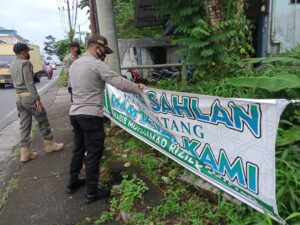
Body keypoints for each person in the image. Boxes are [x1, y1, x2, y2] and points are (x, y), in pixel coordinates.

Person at [67, 35, 145, 204]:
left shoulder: (74, 65)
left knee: (78, 149)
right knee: (94, 153)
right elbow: (119, 82)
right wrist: (137, 88)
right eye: (104, 52)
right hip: (90, 115)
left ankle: (72, 183)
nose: (105, 55)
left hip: (75, 113)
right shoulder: (96, 64)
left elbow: (70, 88)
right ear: (97, 48)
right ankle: (92, 193)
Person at [10, 43, 64, 163]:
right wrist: (37, 99)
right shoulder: (25, 63)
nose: (28, 53)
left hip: (19, 99)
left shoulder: (12, 65)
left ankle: (25, 153)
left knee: (24, 125)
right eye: (27, 51)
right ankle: (49, 145)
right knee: (42, 119)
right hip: (29, 98)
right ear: (24, 52)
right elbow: (29, 83)